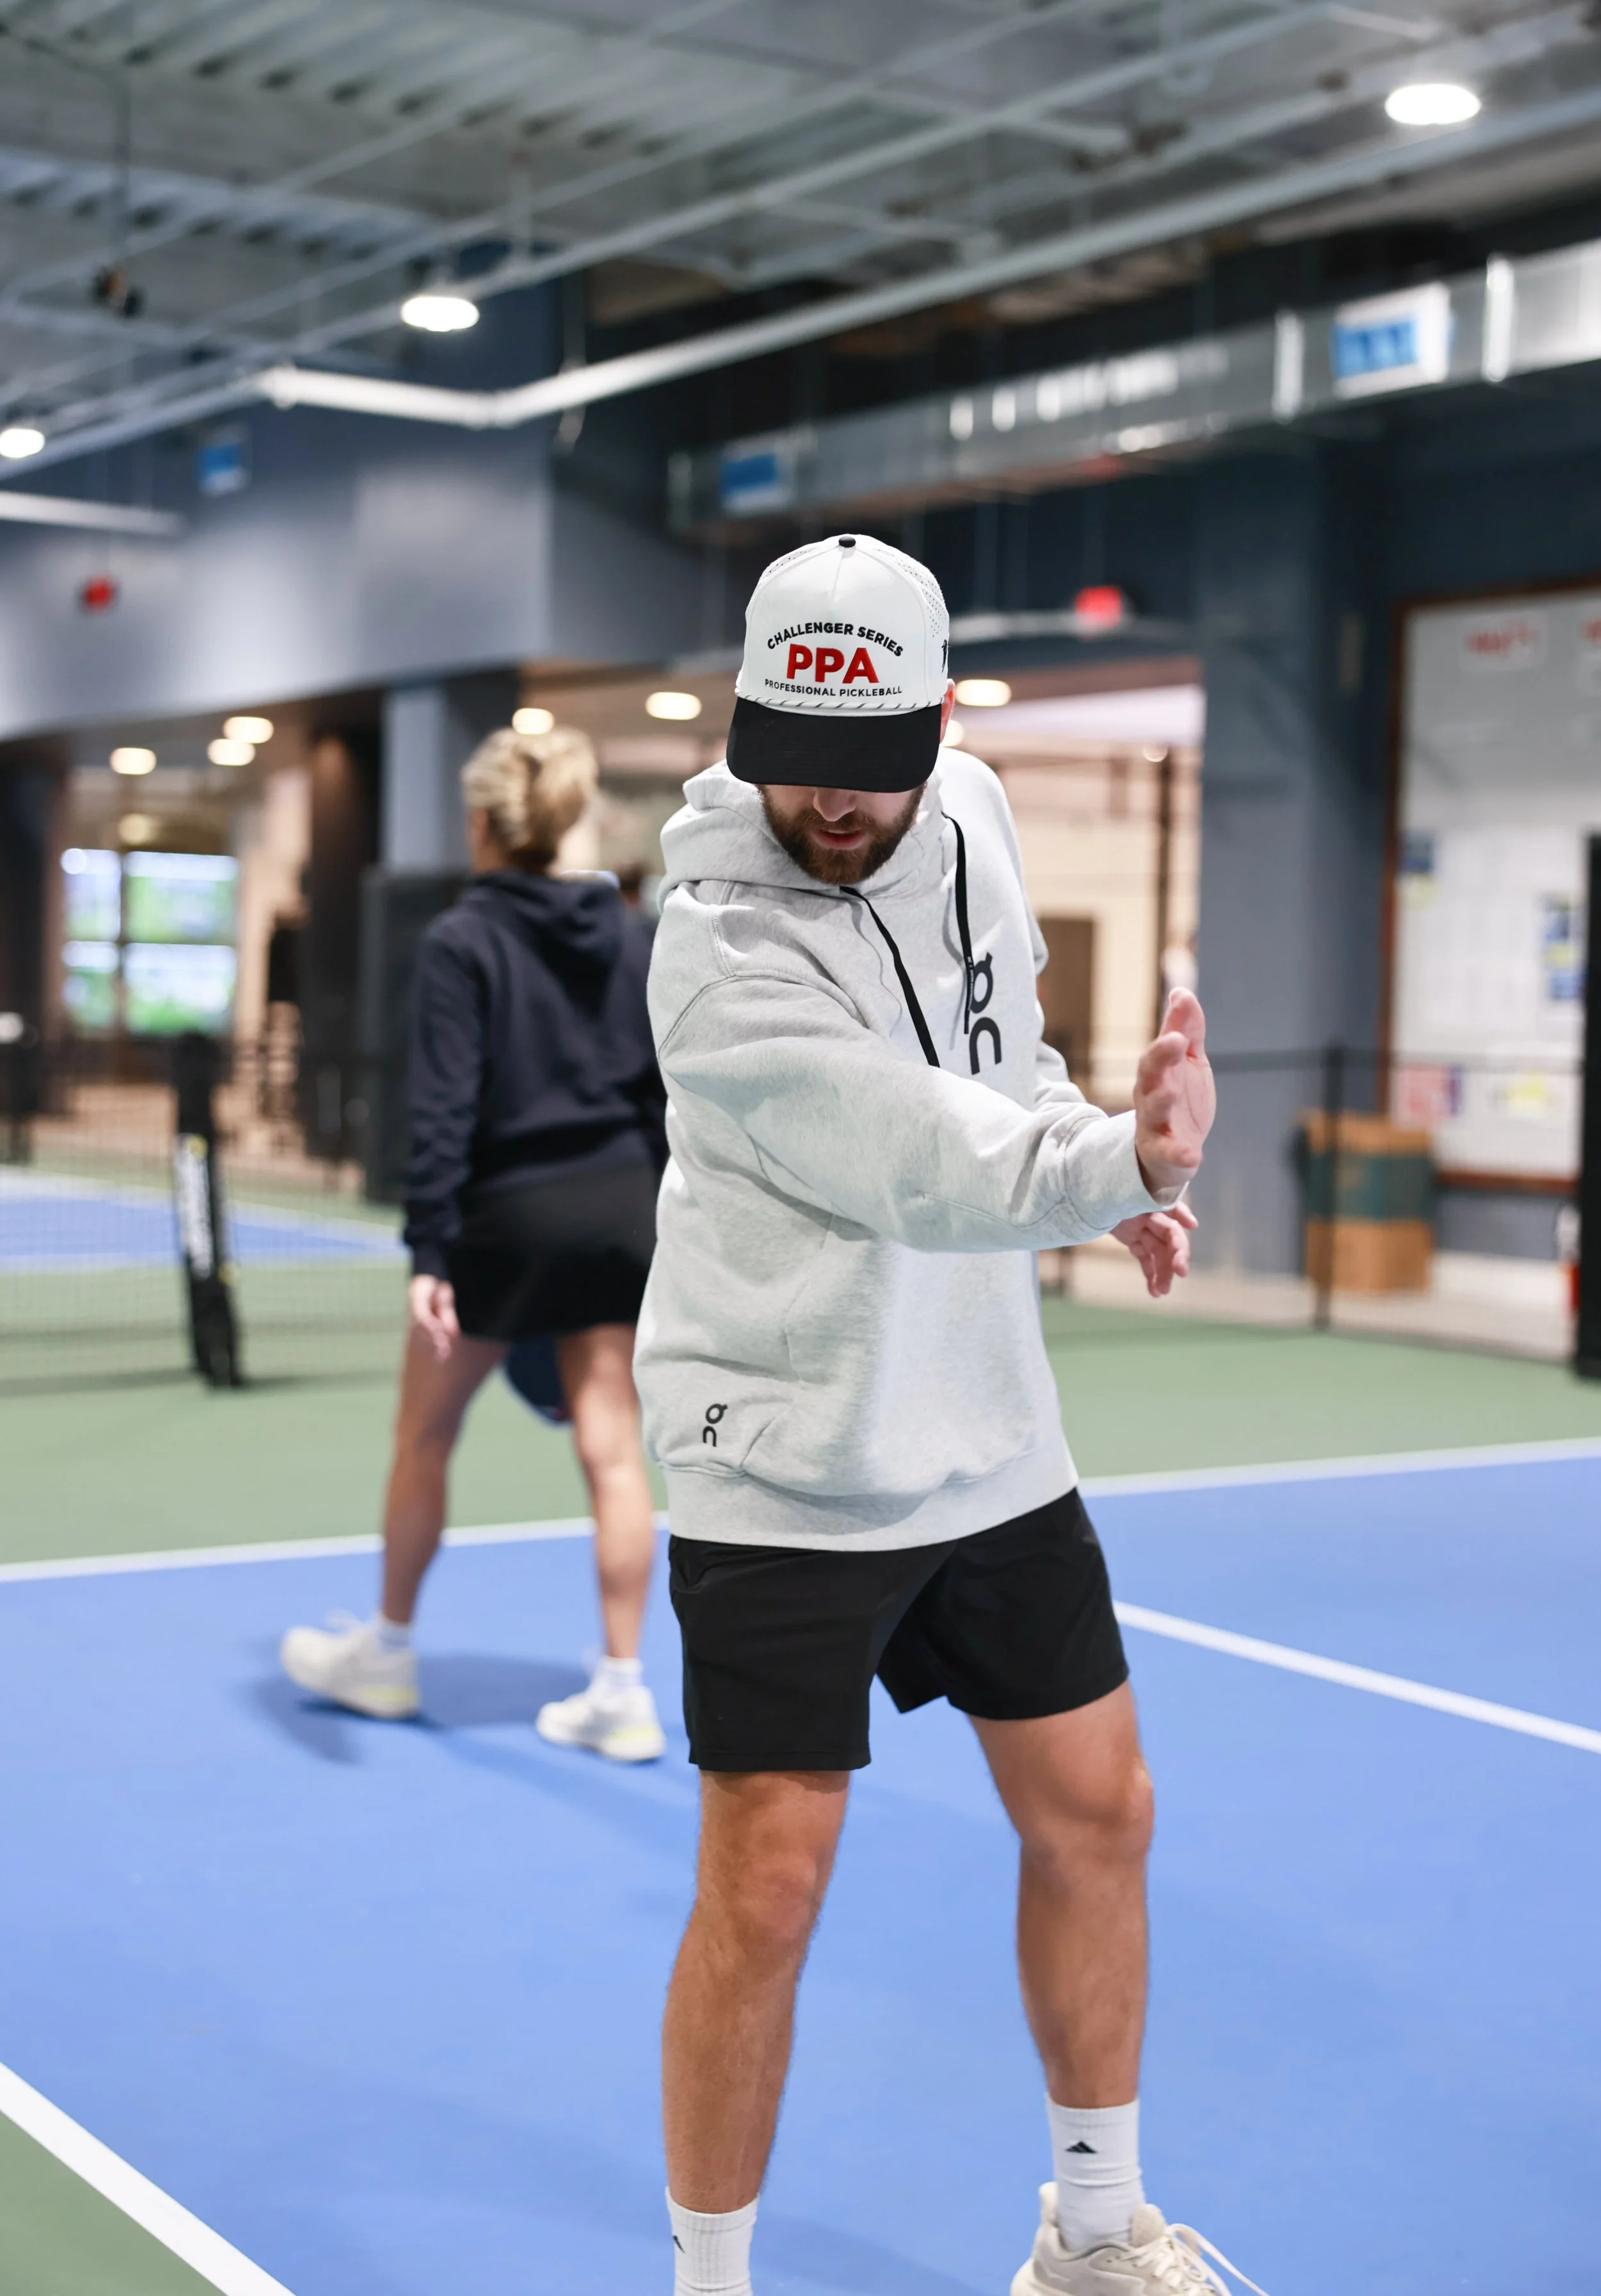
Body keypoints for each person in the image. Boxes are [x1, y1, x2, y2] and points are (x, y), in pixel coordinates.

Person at [635, 535, 1263, 2295]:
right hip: (783, 1453)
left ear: (937, 719)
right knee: (764, 1892)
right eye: (793, 755)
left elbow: (997, 1068)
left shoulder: (971, 813)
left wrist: (1091, 1162)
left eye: (871, 760)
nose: (830, 802)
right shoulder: (712, 952)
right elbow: (914, 1158)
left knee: (1101, 1811)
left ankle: (1089, 2230)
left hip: (986, 1426)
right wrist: (1107, 1161)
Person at [280, 724, 668, 1763]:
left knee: (425, 1437)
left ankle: (389, 1655)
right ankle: (624, 1690)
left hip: (508, 1221)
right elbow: (661, 1092)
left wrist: (430, 1251)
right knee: (613, 1450)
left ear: (486, 825)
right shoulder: (635, 933)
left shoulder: (461, 939)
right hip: (623, 1211)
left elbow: (443, 1108)